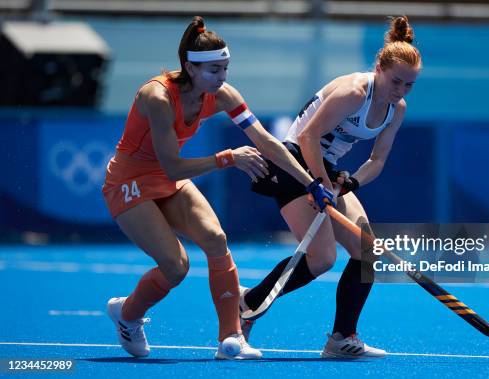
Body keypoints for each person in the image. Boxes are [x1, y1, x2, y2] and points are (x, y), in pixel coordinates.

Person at [102, 16, 333, 360]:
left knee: (216, 239)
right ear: (189, 68)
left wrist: (310, 182)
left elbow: (267, 142)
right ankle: (127, 315)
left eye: (225, 68)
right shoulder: (157, 97)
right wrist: (227, 158)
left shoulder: (222, 95)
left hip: (169, 181)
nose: (222, 77)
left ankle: (232, 339)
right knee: (176, 267)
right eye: (213, 71)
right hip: (129, 183)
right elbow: (172, 165)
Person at [240, 15, 422, 358]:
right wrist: (319, 183)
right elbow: (308, 136)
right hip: (292, 162)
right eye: (396, 81)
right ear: (379, 68)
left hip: (328, 170)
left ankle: (341, 338)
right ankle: (247, 305)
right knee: (321, 259)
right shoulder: (354, 93)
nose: (400, 91)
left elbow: (377, 161)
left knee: (366, 251)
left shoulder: (397, 109)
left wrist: (351, 181)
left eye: (409, 85)